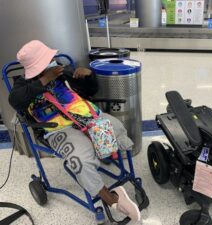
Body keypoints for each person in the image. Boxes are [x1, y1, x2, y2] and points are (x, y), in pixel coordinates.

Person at [8, 40, 140, 222]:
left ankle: (111, 159)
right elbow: (15, 100)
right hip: (57, 128)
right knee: (81, 159)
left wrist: (88, 76)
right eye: (47, 60)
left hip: (84, 115)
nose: (53, 61)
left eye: (51, 57)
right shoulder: (22, 85)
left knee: (116, 127)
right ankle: (111, 200)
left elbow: (89, 91)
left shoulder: (62, 72)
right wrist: (45, 80)